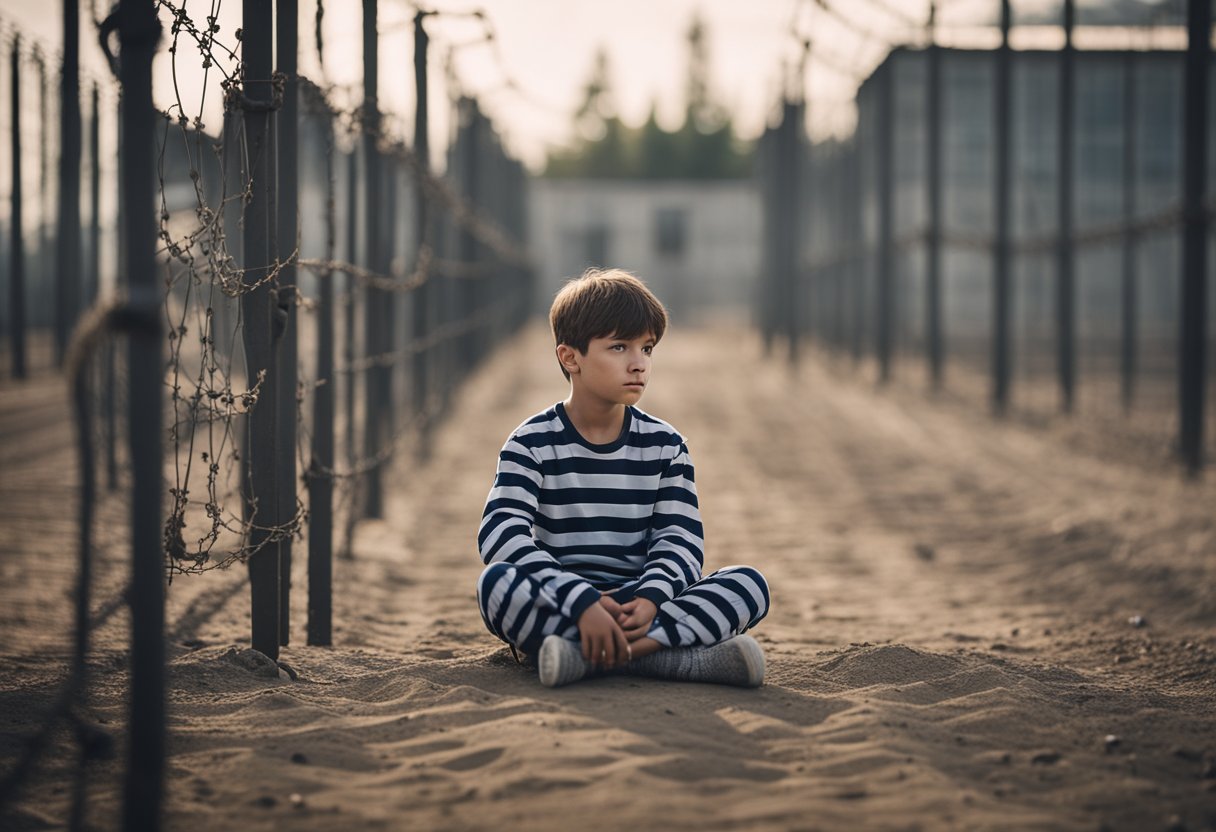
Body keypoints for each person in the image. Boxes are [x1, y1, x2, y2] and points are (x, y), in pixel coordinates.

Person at [475, 267, 770, 688]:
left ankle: (588, 656)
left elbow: (680, 541)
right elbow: (502, 535)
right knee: (496, 585)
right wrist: (582, 601)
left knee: (748, 585)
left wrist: (652, 598)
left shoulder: (667, 445)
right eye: (618, 347)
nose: (638, 364)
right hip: (564, 601)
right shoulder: (531, 442)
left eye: (647, 349)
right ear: (570, 357)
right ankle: (665, 658)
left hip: (642, 602)